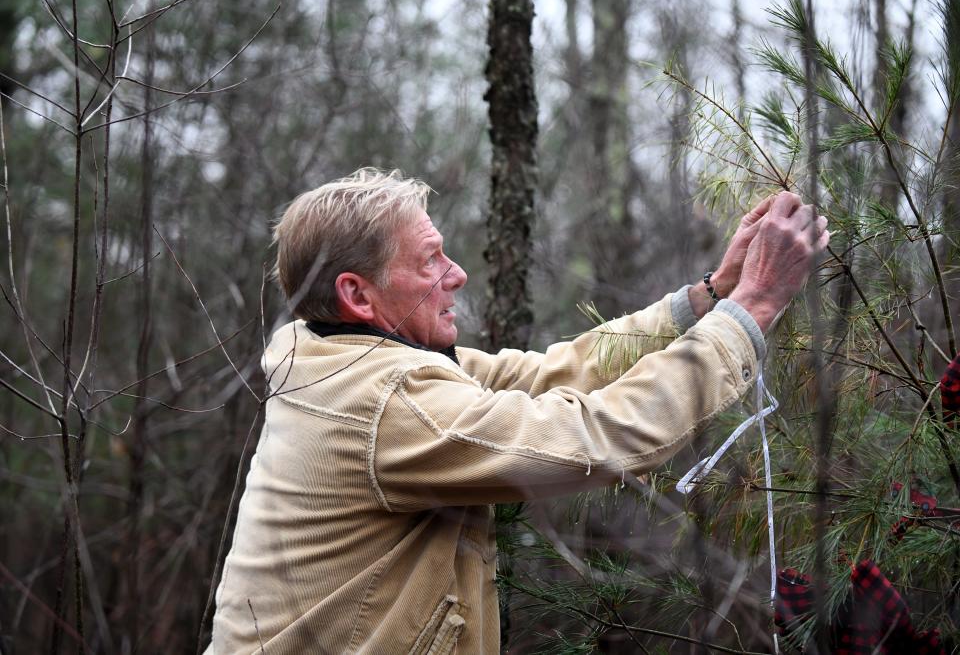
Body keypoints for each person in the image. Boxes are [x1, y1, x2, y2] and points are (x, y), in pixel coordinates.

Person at [205, 168, 828, 654]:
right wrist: (755, 308)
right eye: (430, 260)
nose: (458, 275)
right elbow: (590, 438)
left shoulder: (344, 362)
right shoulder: (383, 402)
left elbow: (545, 375)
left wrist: (712, 296)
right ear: (357, 294)